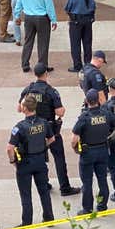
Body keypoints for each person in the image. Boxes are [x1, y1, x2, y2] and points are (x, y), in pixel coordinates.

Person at [19, 62, 81, 197]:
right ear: (46, 74)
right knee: (59, 158)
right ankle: (64, 187)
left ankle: (44, 183)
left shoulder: (28, 89)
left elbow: (19, 108)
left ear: (35, 74)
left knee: (39, 156)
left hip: (32, 130)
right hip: (49, 129)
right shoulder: (51, 91)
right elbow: (60, 112)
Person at [7, 94, 54, 229]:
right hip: (40, 161)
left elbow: (9, 148)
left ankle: (27, 224)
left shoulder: (19, 127)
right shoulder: (43, 122)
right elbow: (51, 139)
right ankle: (49, 218)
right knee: (44, 191)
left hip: (25, 163)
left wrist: (12, 161)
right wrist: (42, 146)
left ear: (25, 108)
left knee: (26, 194)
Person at [71, 89, 115, 215]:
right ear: (99, 100)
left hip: (88, 152)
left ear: (87, 101)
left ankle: (87, 208)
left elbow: (74, 139)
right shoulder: (106, 113)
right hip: (103, 150)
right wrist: (108, 139)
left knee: (87, 182)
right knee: (102, 179)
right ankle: (102, 205)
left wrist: (75, 149)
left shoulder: (84, 117)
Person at [14, 0, 58, 72]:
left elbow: (18, 3)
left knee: (28, 41)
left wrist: (17, 16)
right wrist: (53, 20)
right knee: (43, 43)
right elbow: (49, 7)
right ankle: (42, 66)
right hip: (42, 18)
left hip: (28, 17)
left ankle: (25, 64)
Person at [65, 0, 96, 73]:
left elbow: (67, 8)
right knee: (87, 43)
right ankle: (88, 64)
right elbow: (94, 7)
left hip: (76, 21)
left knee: (75, 44)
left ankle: (77, 65)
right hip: (87, 21)